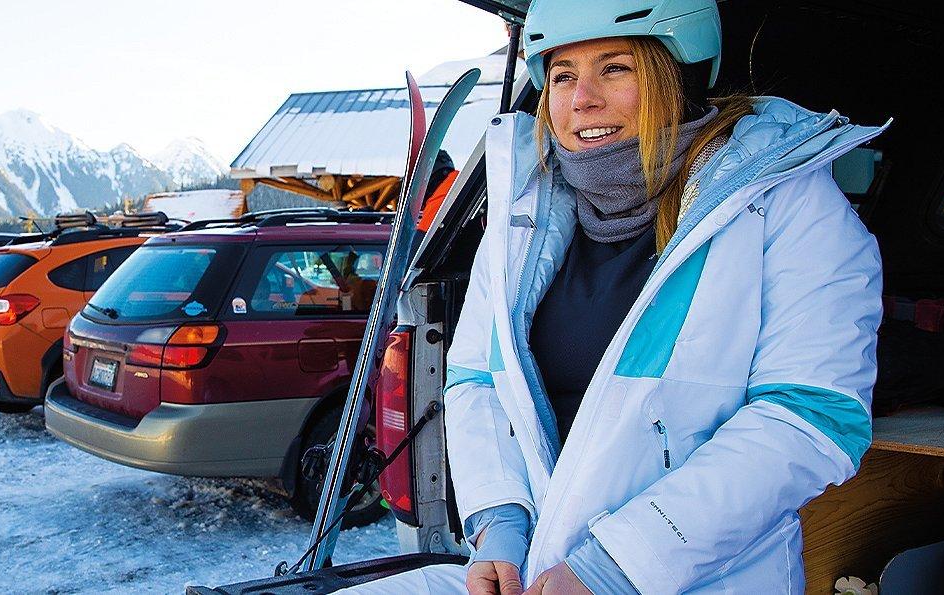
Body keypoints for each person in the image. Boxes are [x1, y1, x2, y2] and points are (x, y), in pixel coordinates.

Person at [342, 0, 884, 593]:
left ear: (679, 77)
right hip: (533, 570)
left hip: (697, 579)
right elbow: (477, 378)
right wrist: (499, 520)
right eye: (562, 75)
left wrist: (615, 567)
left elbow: (811, 417)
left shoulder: (786, 202)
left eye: (615, 68)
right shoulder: (525, 212)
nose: (582, 99)